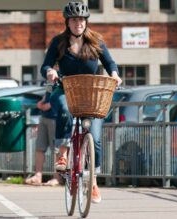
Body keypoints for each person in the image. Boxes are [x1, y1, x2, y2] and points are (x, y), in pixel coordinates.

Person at [40, 1, 122, 203]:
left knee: (94, 136)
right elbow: (46, 65)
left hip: (91, 93)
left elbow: (110, 62)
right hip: (65, 88)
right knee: (65, 111)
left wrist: (114, 74)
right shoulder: (58, 42)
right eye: (74, 20)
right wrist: (50, 72)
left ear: (86, 22)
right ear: (67, 22)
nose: (79, 23)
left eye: (82, 20)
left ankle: (92, 181)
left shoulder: (95, 41)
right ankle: (62, 154)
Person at [25, 85, 61, 186]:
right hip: (44, 116)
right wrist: (41, 102)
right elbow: (48, 93)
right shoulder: (50, 78)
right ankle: (37, 176)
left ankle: (57, 177)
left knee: (57, 150)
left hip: (56, 118)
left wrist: (51, 104)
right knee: (39, 147)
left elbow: (65, 95)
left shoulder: (64, 74)